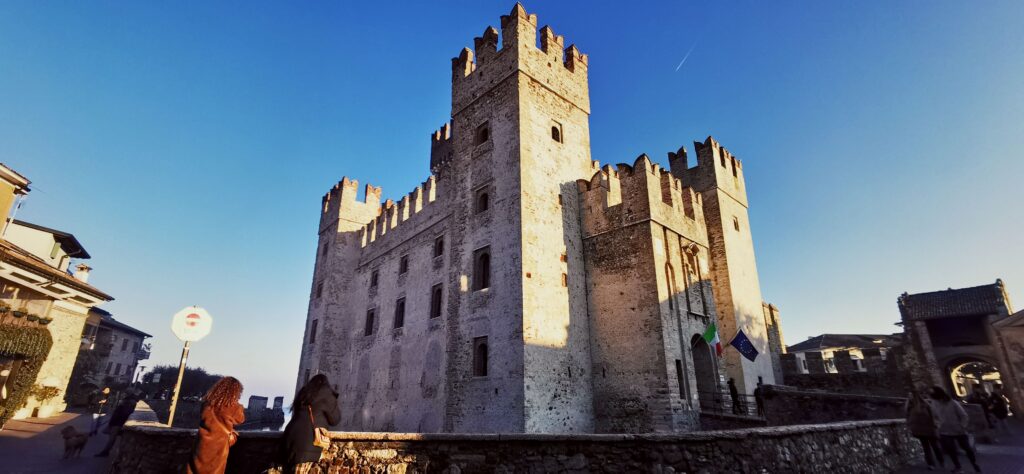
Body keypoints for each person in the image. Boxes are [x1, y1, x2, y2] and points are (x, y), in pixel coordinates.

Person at [280, 374, 341, 474]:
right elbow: (335, 420)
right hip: (307, 443)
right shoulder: (327, 395)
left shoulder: (304, 393)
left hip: (289, 438)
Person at [187, 376, 246, 474]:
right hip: (218, 446)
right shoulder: (234, 407)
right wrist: (241, 407)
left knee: (194, 469)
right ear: (235, 392)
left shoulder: (207, 403)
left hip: (201, 442)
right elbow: (240, 420)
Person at [930, 386, 980, 473]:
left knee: (967, 448)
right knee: (951, 450)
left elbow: (963, 415)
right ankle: (958, 466)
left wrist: (962, 426)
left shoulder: (952, 403)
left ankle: (974, 464)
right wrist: (937, 425)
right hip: (944, 431)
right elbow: (934, 417)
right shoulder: (934, 404)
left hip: (958, 430)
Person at [906, 391, 944, 470]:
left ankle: (941, 461)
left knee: (935, 446)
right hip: (920, 431)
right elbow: (908, 417)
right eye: (909, 396)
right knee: (926, 448)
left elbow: (934, 415)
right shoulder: (910, 407)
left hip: (930, 429)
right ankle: (931, 464)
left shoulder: (926, 405)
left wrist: (936, 424)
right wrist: (911, 426)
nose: (910, 398)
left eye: (911, 396)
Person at [95, 393, 139, 457]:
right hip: (122, 423)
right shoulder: (132, 406)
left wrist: (111, 423)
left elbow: (117, 415)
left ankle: (106, 452)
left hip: (117, 423)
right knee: (118, 439)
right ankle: (115, 453)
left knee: (112, 439)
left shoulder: (124, 405)